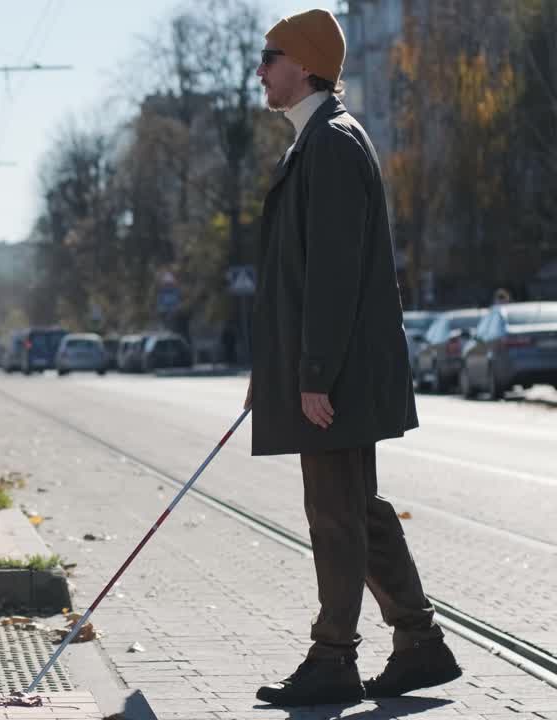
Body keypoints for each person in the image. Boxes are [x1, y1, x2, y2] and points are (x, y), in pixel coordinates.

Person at [247, 9, 460, 707]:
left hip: (339, 373)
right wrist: (275, 373)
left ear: (306, 65)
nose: (260, 69)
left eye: (271, 56)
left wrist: (313, 374)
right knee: (356, 509)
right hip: (333, 368)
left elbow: (333, 276)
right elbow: (300, 278)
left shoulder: (332, 144)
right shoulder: (316, 141)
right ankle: (420, 643)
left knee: (335, 515)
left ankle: (334, 656)